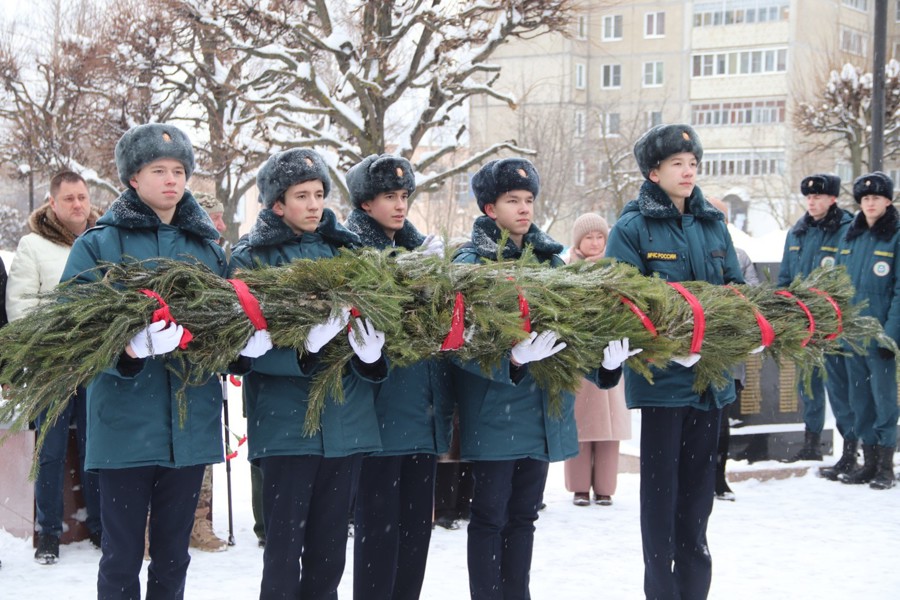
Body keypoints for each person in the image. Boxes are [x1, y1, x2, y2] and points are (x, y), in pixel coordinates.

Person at [59, 123, 248, 599]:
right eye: (158, 170)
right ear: (132, 179)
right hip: (124, 425)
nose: (171, 180)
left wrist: (239, 344)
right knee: (122, 557)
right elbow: (70, 328)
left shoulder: (206, 248)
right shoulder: (99, 245)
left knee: (173, 556)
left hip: (188, 425)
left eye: (179, 170)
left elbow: (225, 320)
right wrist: (126, 351)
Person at [452, 157, 634, 599]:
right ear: (489, 208)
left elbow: (573, 334)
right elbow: (456, 341)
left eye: (529, 199)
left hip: (541, 412)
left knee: (523, 516)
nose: (524, 208)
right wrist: (509, 360)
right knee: (490, 516)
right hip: (494, 411)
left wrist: (604, 367)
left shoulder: (552, 264)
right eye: (512, 200)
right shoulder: (471, 261)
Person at [229, 148, 386, 599]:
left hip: (347, 422)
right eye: (302, 195)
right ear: (277, 204)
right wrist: (300, 351)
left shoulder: (351, 255)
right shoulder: (252, 259)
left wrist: (372, 357)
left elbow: (383, 328)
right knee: (283, 553)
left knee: (329, 555)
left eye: (319, 194)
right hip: (287, 427)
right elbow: (241, 348)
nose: (314, 204)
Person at [605, 124, 745, 600]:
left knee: (698, 503)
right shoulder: (632, 229)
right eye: (677, 165)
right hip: (664, 386)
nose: (688, 172)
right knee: (661, 502)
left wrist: (746, 324)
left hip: (710, 383)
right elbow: (623, 303)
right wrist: (669, 346)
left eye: (693, 164)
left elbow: (733, 288)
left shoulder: (712, 224)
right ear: (654, 172)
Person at [344, 153, 453, 600]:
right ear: (366, 203)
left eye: (404, 195)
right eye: (389, 196)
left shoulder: (418, 248)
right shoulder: (352, 250)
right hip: (379, 414)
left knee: (415, 535)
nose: (399, 204)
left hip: (422, 415)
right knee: (378, 532)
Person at [6, 170, 102, 564]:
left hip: (98, 362)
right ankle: (47, 533)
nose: (78, 205)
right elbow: (21, 305)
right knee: (51, 449)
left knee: (97, 449)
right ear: (52, 202)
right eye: (69, 199)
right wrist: (55, 339)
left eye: (82, 197)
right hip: (54, 364)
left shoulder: (102, 240)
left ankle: (100, 527)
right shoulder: (33, 245)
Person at [777, 174, 855, 467]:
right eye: (808, 197)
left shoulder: (847, 231)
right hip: (803, 321)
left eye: (818, 197)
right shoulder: (797, 232)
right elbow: (785, 277)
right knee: (807, 385)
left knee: (840, 387)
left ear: (832, 199)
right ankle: (812, 443)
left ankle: (850, 448)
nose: (812, 202)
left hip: (835, 323)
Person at [835, 172, 900, 490]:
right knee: (859, 399)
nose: (870, 203)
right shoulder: (851, 234)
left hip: (880, 334)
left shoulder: (896, 235)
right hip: (851, 332)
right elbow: (836, 285)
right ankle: (870, 462)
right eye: (865, 199)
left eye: (876, 198)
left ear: (888, 200)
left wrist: (891, 335)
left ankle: (886, 466)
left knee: (884, 400)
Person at [563, 213, 631, 507]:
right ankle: (579, 487)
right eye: (588, 237)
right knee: (580, 426)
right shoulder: (568, 269)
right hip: (580, 355)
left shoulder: (616, 267)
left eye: (599, 237)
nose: (594, 242)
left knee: (609, 428)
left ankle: (605, 487)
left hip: (611, 352)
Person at [182, 191, 230, 554]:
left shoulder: (218, 258)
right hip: (175, 363)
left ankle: (200, 520)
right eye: (216, 218)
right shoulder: (187, 255)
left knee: (203, 453)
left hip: (205, 369)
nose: (222, 225)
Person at [708, 197, 761, 502]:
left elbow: (752, 299)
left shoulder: (738, 256)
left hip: (728, 355)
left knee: (720, 423)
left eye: (721, 218)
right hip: (697, 353)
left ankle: (719, 478)